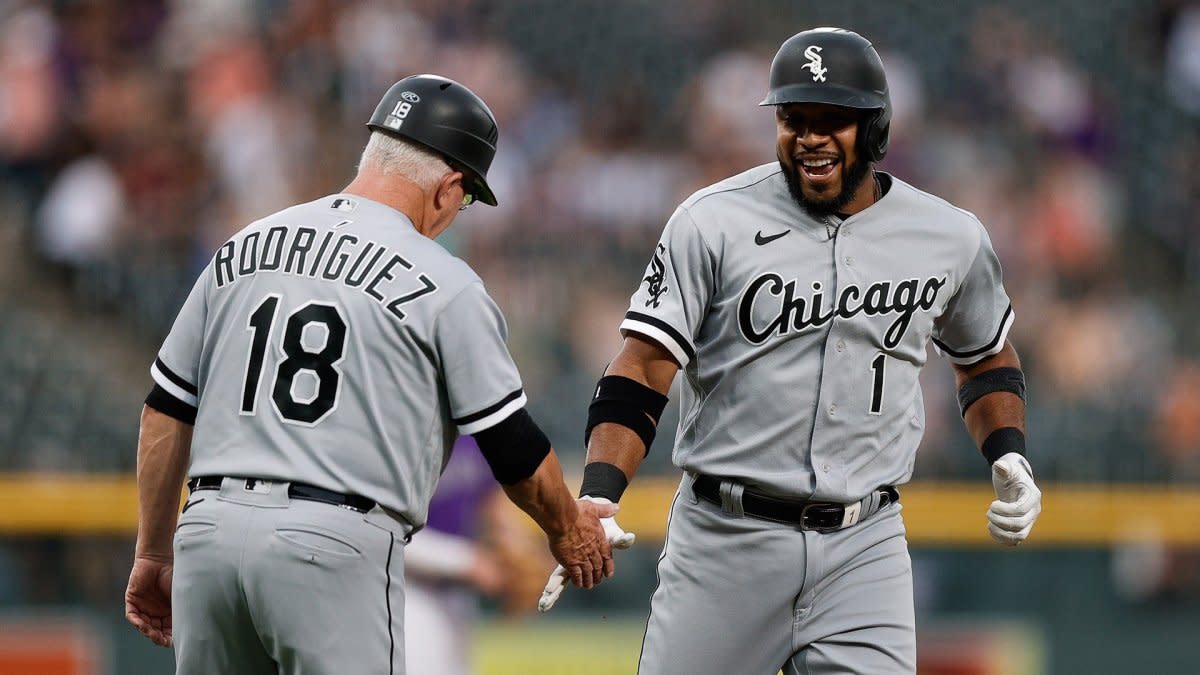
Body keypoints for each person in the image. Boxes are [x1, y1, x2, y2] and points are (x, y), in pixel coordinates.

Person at [538, 28, 1043, 674]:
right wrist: (602, 493)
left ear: (877, 129)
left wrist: (1009, 453)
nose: (809, 136)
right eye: (793, 118)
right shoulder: (712, 221)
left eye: (831, 120)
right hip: (726, 538)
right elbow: (641, 367)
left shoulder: (949, 237)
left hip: (866, 544)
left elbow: (986, 353)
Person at [123, 73, 621, 675]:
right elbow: (511, 447)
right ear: (449, 187)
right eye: (465, 201)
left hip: (206, 535)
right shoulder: (445, 281)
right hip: (331, 543)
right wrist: (569, 528)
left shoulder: (243, 246)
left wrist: (153, 550)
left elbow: (166, 409)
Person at [405, 436, 551, 675]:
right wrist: (469, 562)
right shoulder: (404, 430)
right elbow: (383, 530)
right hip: (402, 588)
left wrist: (523, 550)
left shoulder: (474, 433)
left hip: (455, 593)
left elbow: (491, 503)